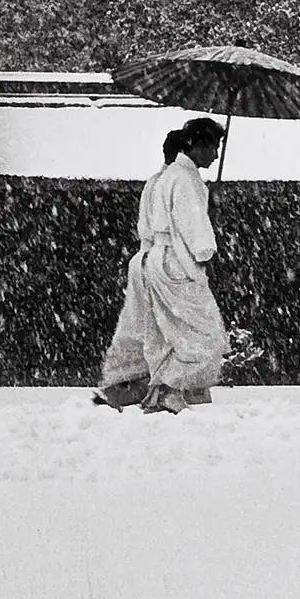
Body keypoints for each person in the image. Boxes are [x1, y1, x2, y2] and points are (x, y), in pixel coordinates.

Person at [93, 117, 230, 413]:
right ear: (194, 144)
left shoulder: (165, 179)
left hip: (153, 257)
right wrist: (207, 246)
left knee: (151, 331)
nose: (216, 155)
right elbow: (197, 235)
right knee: (204, 336)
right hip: (174, 262)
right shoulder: (183, 178)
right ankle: (170, 389)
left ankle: (128, 386)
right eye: (212, 147)